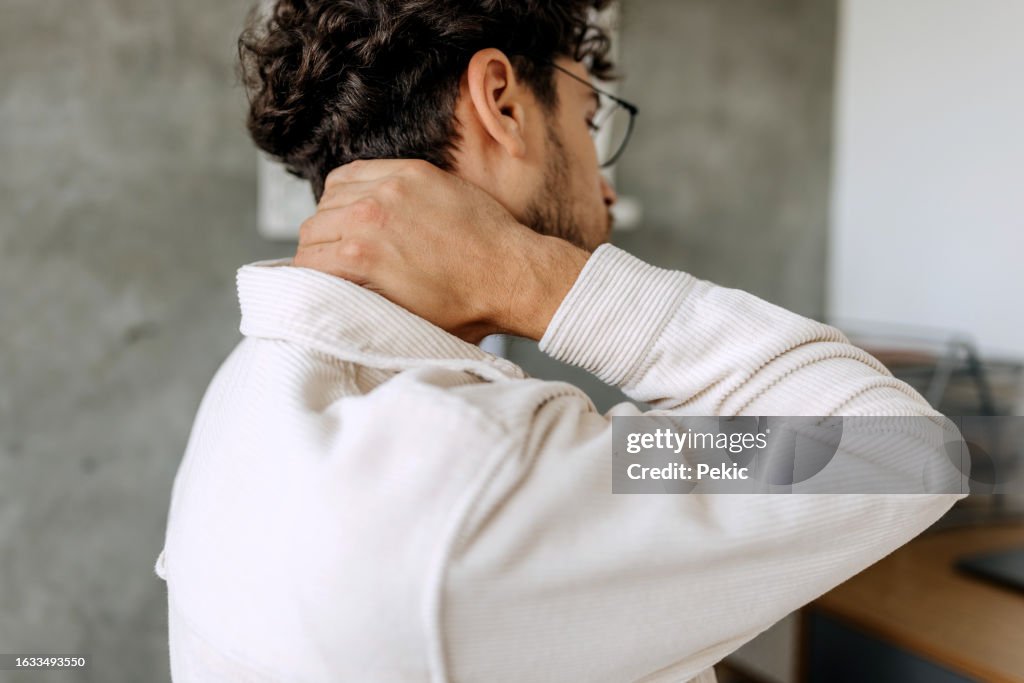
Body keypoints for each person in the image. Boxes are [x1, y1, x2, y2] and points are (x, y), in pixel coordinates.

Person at [155, 1, 966, 681]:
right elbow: (897, 451)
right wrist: (534, 276)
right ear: (501, 101)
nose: (605, 187)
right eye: (588, 119)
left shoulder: (252, 386)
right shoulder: (476, 471)